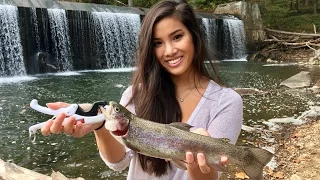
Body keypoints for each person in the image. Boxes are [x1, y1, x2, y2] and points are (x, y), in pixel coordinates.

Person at [40, 0, 243, 179]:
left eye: (177, 37)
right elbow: (118, 163)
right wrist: (98, 124)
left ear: (194, 36)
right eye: (157, 43)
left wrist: (195, 161)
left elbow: (211, 177)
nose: (170, 51)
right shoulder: (135, 93)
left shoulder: (227, 102)